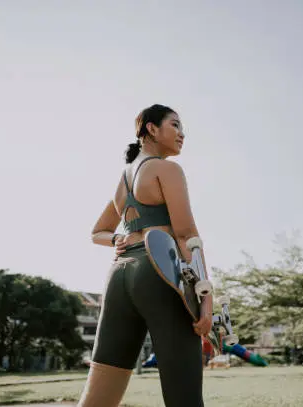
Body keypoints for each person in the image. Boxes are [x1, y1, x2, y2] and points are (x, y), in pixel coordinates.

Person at [77, 104, 213, 407]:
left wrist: (117, 239)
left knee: (101, 391)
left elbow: (97, 232)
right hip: (159, 272)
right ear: (151, 129)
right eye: (175, 125)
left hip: (119, 277)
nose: (182, 134)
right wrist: (206, 296)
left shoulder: (123, 180)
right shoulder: (167, 169)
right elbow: (186, 236)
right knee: (184, 392)